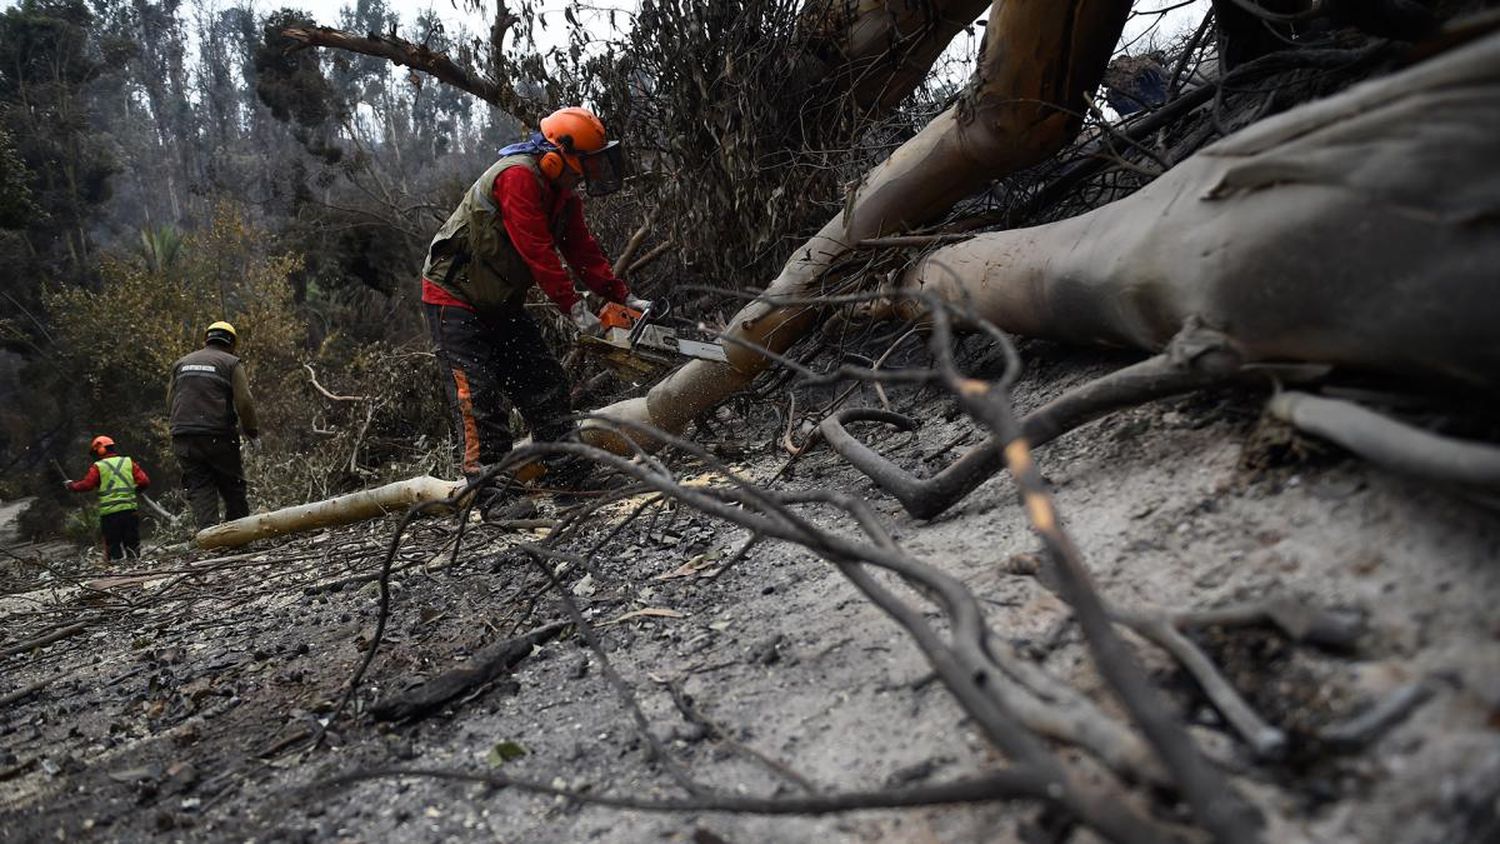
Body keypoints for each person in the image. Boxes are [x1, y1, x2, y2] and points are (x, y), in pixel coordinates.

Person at [420, 106, 650, 484]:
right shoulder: (517, 178)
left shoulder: (562, 194)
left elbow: (581, 249)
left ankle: (570, 478)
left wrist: (622, 295)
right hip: (454, 298)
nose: (585, 175)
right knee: (478, 399)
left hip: (499, 299)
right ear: (556, 156)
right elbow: (538, 250)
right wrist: (574, 309)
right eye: (583, 164)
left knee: (544, 383)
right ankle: (494, 495)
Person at [167, 321, 260, 528]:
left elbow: (170, 401)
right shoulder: (231, 363)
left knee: (200, 488)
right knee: (232, 486)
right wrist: (251, 431)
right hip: (218, 435)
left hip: (183, 436)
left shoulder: (181, 363)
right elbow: (244, 401)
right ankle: (239, 536)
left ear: (206, 339)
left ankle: (210, 539)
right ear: (232, 343)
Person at [64, 435, 150, 560]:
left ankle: (118, 572)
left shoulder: (99, 466)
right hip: (130, 511)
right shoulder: (128, 462)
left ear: (100, 450)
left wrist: (72, 486)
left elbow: (87, 485)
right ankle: (136, 568)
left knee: (113, 546)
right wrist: (135, 490)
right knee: (132, 544)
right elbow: (144, 481)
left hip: (110, 514)